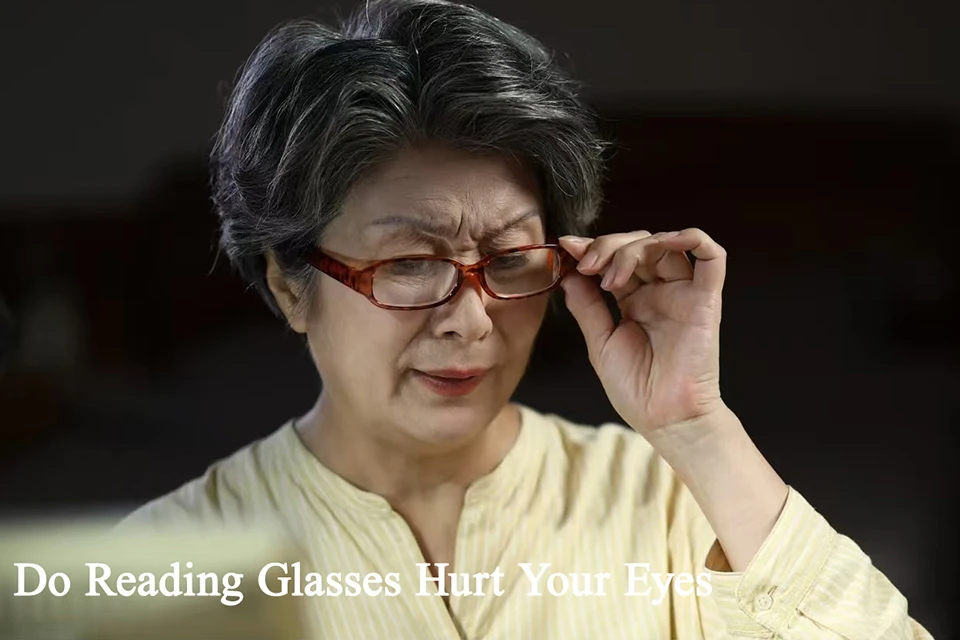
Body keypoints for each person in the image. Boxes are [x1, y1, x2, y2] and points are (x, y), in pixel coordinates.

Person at [122, 1, 933, 637]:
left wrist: (696, 427)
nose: (471, 320)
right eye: (410, 264)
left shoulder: (668, 496)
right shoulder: (168, 560)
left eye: (510, 260)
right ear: (292, 285)